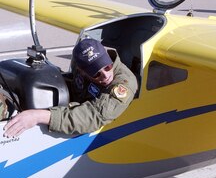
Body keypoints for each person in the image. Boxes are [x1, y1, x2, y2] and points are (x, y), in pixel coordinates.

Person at [3, 38, 138, 137]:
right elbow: (73, 84)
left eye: (107, 66)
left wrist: (37, 116)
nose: (106, 75)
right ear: (82, 71)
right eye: (96, 73)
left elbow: (95, 116)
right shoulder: (82, 69)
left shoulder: (123, 84)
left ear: (107, 56)